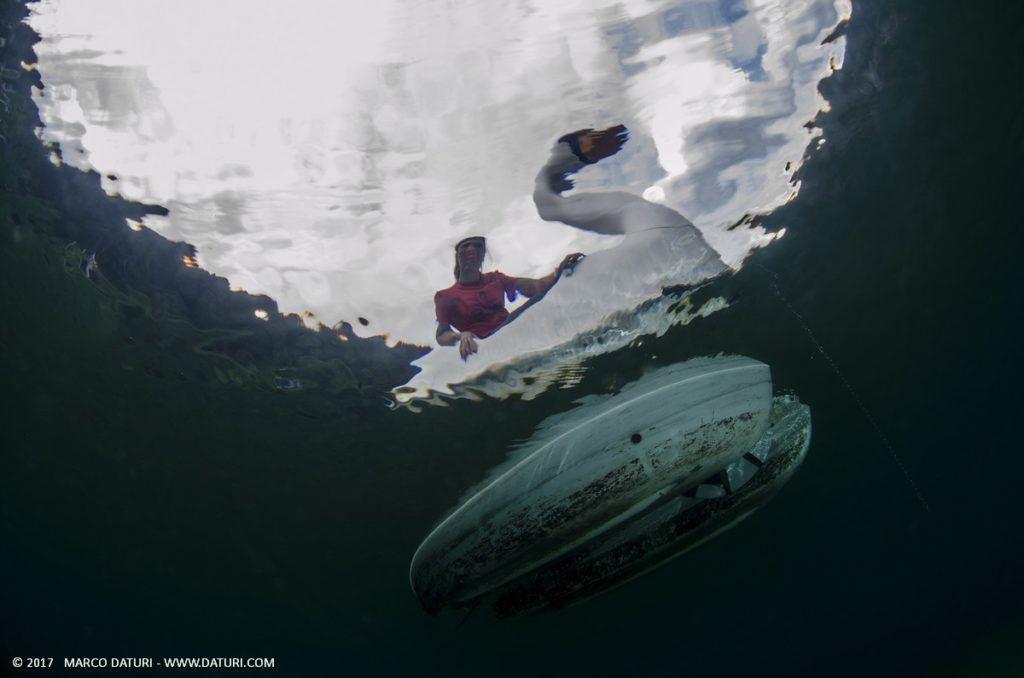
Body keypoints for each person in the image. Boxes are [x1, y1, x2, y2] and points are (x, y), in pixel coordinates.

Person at [434, 236, 583, 359]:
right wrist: (460, 336)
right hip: (483, 344)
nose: (472, 249)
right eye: (465, 246)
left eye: (478, 246)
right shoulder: (445, 296)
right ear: (458, 255)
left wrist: (558, 272)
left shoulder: (495, 278)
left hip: (509, 328)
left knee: (540, 298)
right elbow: (441, 335)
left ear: (483, 255)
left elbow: (535, 287)